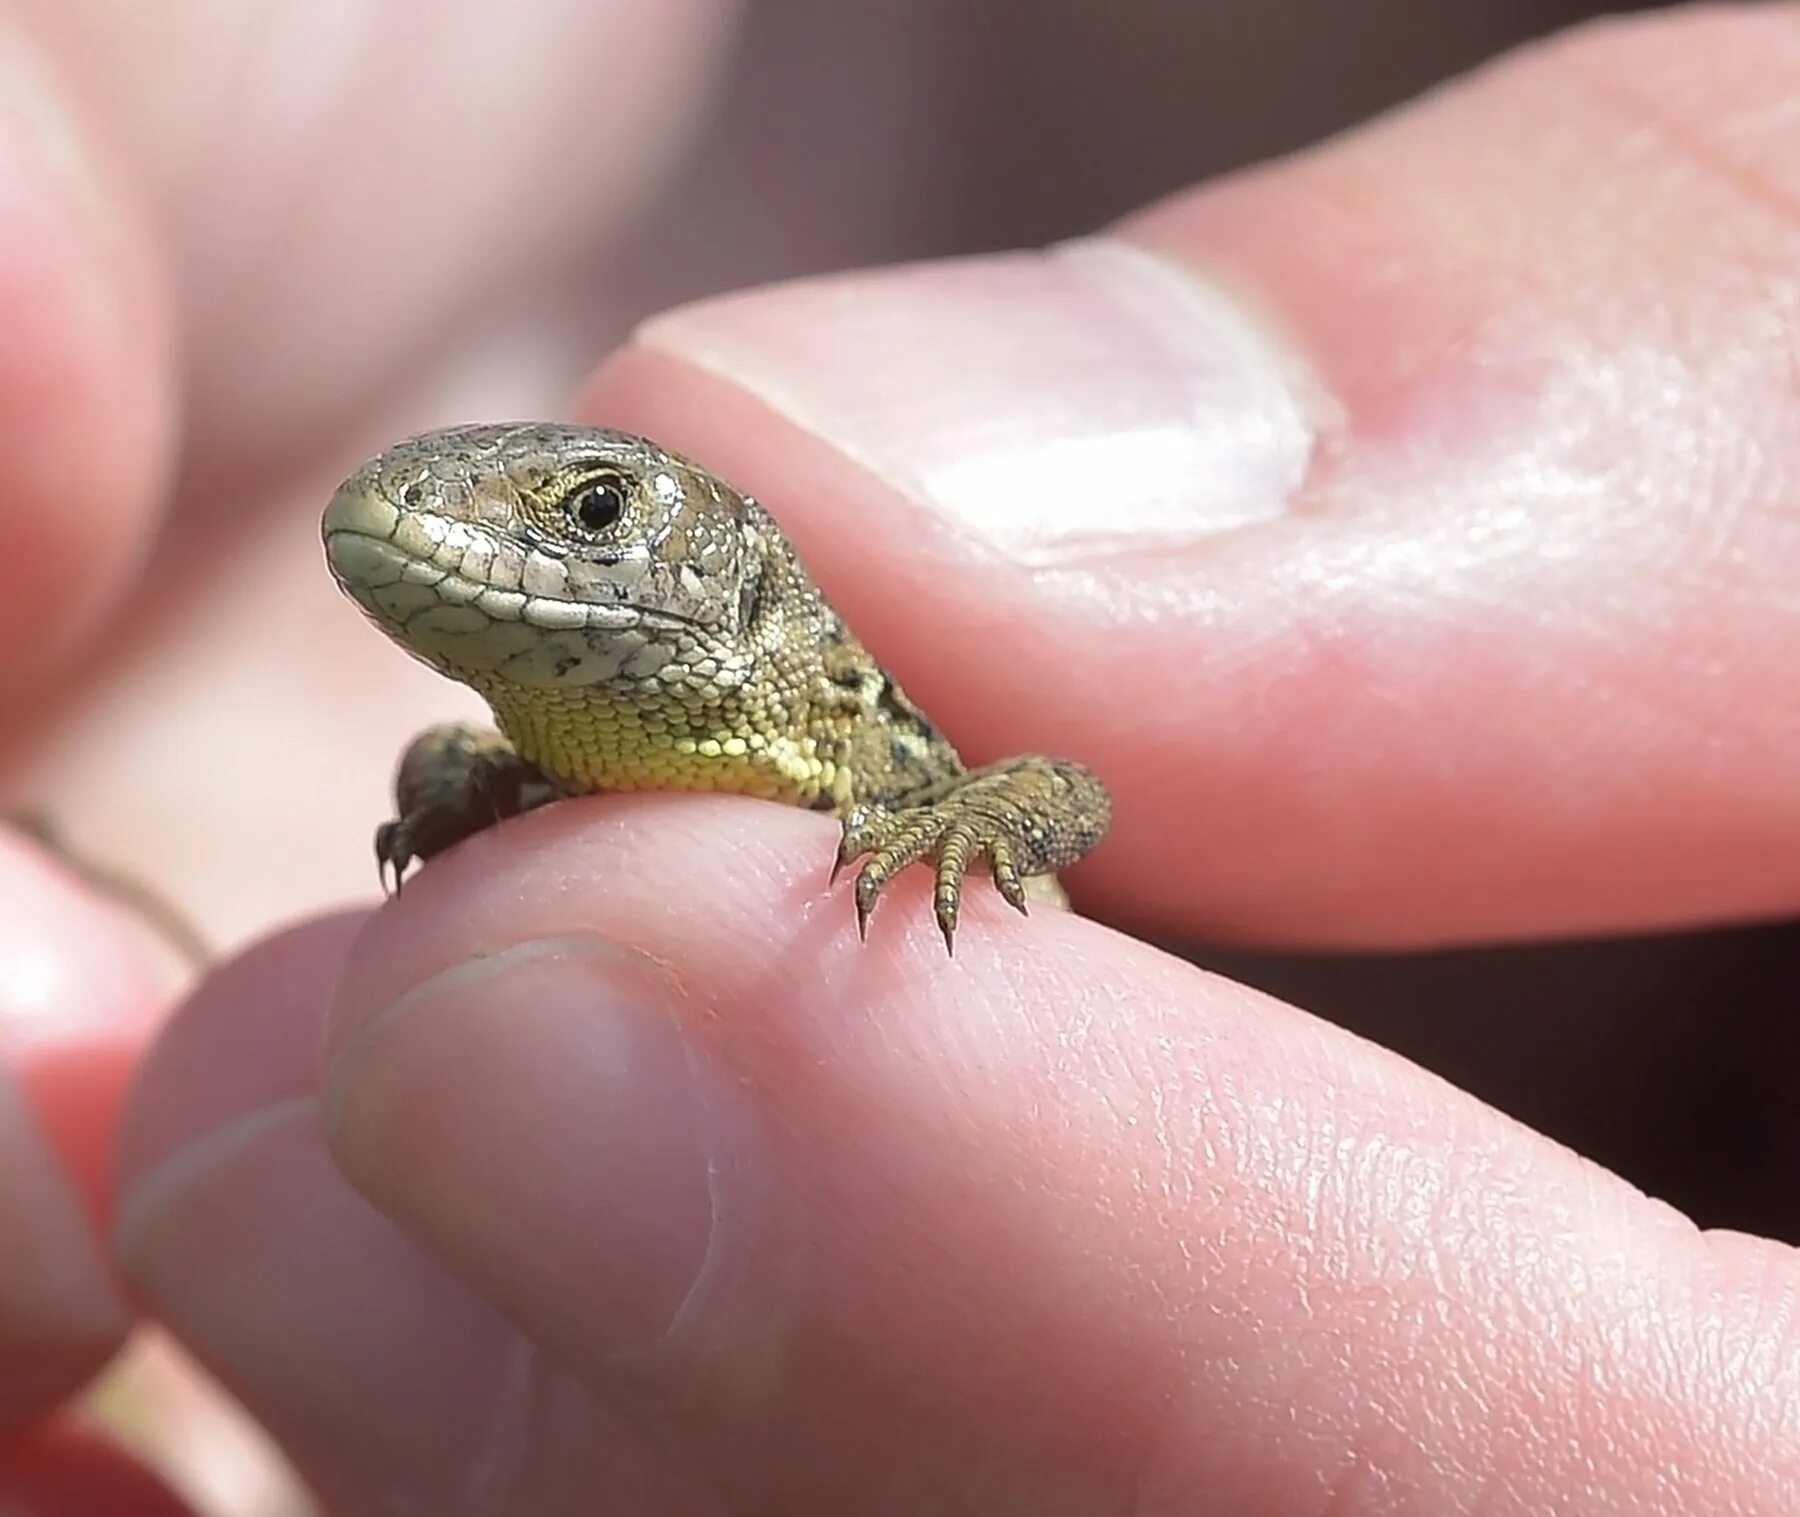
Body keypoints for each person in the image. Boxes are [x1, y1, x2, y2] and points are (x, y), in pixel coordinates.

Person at [2, 2, 1796, 1512]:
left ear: (724, 575)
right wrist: (458, 783)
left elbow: (1066, 800)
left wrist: (964, 810)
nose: (425, 524)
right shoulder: (545, 756)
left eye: (591, 511)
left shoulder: (876, 752)